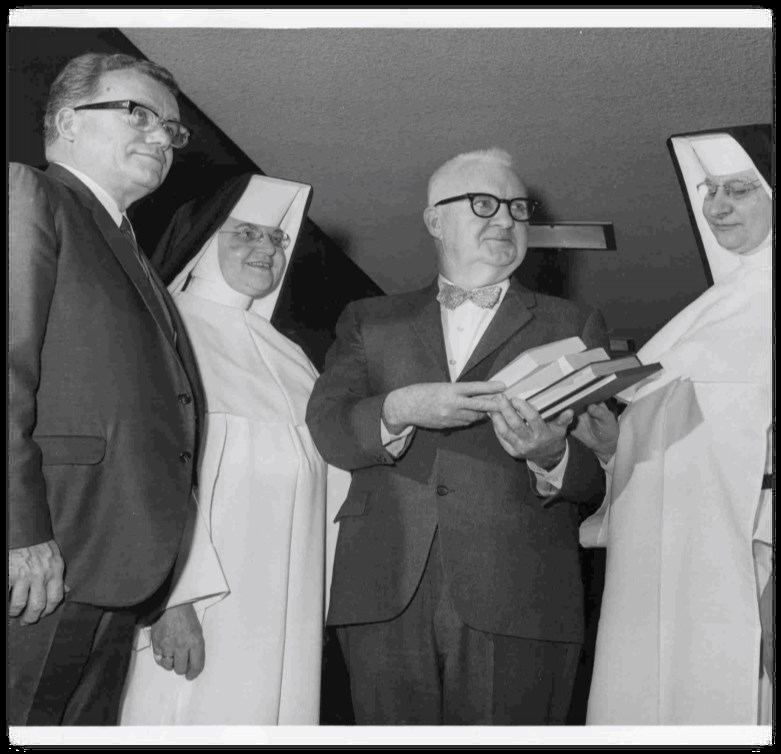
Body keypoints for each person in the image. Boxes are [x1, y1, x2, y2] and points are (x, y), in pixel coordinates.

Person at [305, 148, 609, 725]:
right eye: (483, 204)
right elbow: (330, 430)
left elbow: (600, 473)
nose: (506, 220)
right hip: (383, 586)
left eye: (518, 209)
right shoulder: (369, 320)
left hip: (522, 593)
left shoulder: (573, 324)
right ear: (434, 221)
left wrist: (552, 454)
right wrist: (398, 408)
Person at [8, 52, 221, 725]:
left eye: (172, 130)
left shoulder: (134, 253)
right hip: (46, 555)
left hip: (113, 562)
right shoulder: (29, 195)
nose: (162, 136)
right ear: (67, 121)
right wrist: (19, 531)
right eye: (138, 114)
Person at [119, 174, 350, 725]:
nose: (266, 248)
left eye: (277, 239)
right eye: (246, 233)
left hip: (285, 606)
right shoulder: (161, 333)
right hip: (200, 608)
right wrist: (172, 600)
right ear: (202, 242)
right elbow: (149, 474)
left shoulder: (293, 356)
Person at [575, 125, 773, 725]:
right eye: (710, 190)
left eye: (738, 190)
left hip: (745, 561)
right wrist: (614, 449)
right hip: (664, 565)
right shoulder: (712, 309)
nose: (716, 206)